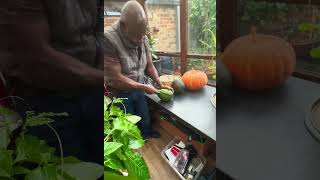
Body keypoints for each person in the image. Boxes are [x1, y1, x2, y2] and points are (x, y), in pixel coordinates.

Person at [0, 0, 104, 164]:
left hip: (92, 90)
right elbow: (33, 57)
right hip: (46, 100)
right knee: (69, 169)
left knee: (100, 163)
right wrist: (105, 77)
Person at [104, 0, 172, 139]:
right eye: (136, 36)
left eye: (142, 35)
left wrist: (159, 83)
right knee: (129, 125)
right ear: (124, 25)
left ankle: (146, 133)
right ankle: (134, 147)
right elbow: (116, 77)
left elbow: (149, 65)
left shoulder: (143, 37)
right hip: (120, 92)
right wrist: (144, 86)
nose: (141, 40)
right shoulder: (108, 39)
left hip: (139, 88)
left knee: (144, 116)